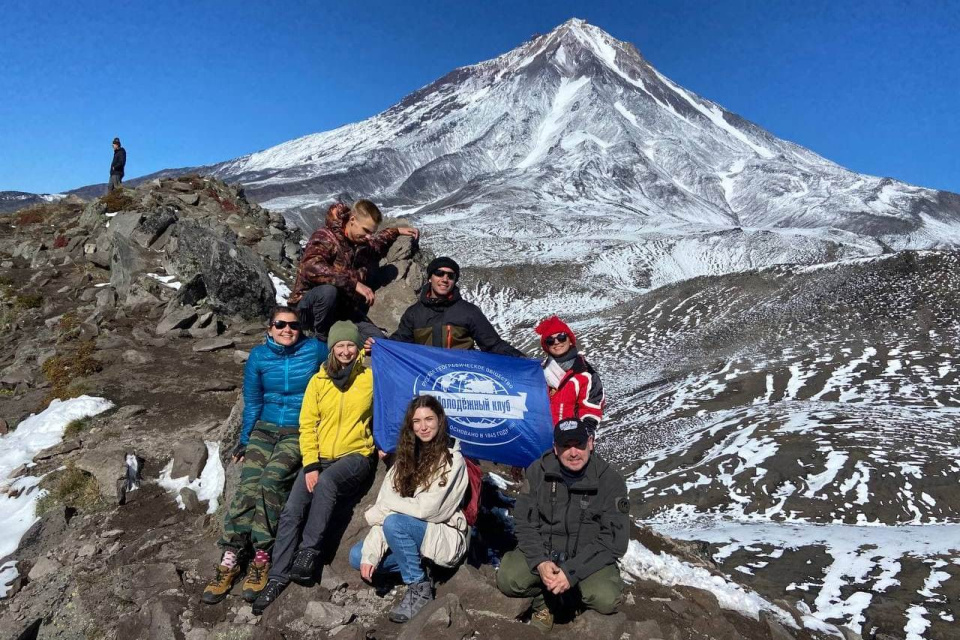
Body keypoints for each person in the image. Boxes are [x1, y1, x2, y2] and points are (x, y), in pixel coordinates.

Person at [252, 321, 378, 614]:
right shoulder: (318, 382)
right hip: (319, 458)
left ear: (357, 347)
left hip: (355, 456)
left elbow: (391, 404)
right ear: (332, 349)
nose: (346, 351)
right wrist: (310, 464)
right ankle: (277, 577)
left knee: (327, 483)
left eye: (351, 345)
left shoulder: (371, 378)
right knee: (291, 511)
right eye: (340, 345)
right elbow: (307, 426)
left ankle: (308, 553)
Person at [202, 306, 324, 605]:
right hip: (265, 430)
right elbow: (253, 400)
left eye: (293, 326)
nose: (287, 330)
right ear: (270, 327)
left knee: (271, 483)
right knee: (247, 487)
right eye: (280, 324)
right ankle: (230, 556)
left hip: (298, 431)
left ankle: (261, 555)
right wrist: (244, 440)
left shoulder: (315, 350)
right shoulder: (259, 356)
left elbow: (346, 355)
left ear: (301, 328)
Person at [496, 418, 629, 632]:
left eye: (579, 444)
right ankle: (543, 604)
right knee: (508, 579)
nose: (573, 452)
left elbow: (615, 540)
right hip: (546, 552)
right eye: (566, 446)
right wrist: (539, 561)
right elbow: (524, 521)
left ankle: (572, 602)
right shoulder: (537, 472)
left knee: (606, 598)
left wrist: (571, 572)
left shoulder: (611, 481)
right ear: (555, 449)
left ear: (591, 443)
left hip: (586, 557)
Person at [349, 395, 469, 623]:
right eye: (417, 421)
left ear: (440, 421)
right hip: (406, 529)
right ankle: (418, 563)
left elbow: (429, 510)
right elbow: (387, 513)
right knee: (359, 556)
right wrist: (372, 553)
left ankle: (419, 585)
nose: (423, 426)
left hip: (442, 533)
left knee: (395, 522)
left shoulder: (453, 461)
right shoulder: (403, 460)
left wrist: (387, 506)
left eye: (429, 419)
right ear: (410, 425)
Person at [286, 200, 419, 343]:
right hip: (309, 310)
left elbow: (378, 243)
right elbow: (310, 267)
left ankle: (339, 337)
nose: (368, 236)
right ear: (353, 220)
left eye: (371, 232)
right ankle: (320, 340)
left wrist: (396, 231)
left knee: (377, 341)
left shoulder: (361, 243)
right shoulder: (325, 236)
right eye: (366, 230)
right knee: (328, 291)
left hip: (342, 311)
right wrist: (353, 283)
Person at [367, 256, 524, 357]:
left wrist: (523, 361)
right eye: (439, 273)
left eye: (451, 276)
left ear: (455, 280)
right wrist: (377, 346)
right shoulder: (414, 313)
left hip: (460, 379)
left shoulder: (469, 312)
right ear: (430, 278)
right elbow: (400, 343)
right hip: (426, 379)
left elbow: (493, 345)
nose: (445, 279)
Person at [534, 316, 604, 429]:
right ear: (546, 346)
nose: (556, 342)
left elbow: (592, 407)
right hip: (543, 439)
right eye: (550, 340)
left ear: (570, 340)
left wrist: (582, 433)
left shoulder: (585, 373)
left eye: (561, 337)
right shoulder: (538, 373)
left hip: (573, 440)